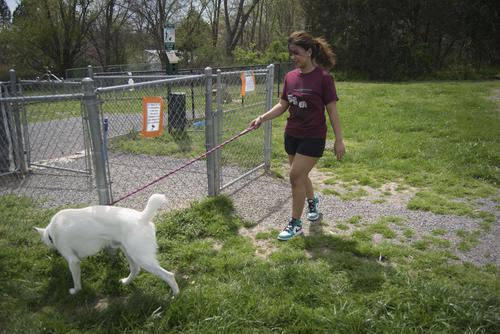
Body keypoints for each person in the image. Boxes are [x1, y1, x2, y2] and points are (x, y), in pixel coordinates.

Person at [250, 31, 345, 241]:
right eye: (291, 53)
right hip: (292, 134)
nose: (293, 57)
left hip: (313, 137)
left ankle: (295, 224)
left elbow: (332, 111)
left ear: (309, 52)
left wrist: (339, 140)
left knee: (294, 176)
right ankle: (313, 203)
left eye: (297, 53)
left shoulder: (323, 79)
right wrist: (262, 118)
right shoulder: (290, 77)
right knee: (300, 176)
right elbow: (283, 104)